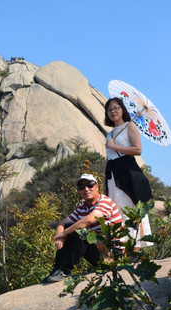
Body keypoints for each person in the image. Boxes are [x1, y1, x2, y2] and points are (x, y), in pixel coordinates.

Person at [43, 174, 124, 282]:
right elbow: (62, 223)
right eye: (81, 187)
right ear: (79, 191)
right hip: (100, 252)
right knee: (70, 228)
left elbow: (89, 219)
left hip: (113, 255)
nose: (86, 189)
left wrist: (64, 233)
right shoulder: (83, 208)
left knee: (82, 233)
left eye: (90, 185)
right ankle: (57, 270)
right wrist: (59, 236)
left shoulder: (105, 202)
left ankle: (65, 270)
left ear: (97, 187)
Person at [104, 97, 153, 248]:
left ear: (122, 110)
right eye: (109, 109)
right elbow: (109, 159)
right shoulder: (110, 134)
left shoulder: (130, 126)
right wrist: (104, 184)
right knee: (116, 210)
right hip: (113, 175)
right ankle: (122, 247)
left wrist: (115, 147)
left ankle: (136, 248)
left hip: (128, 174)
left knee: (131, 210)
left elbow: (138, 150)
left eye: (116, 108)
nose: (113, 111)